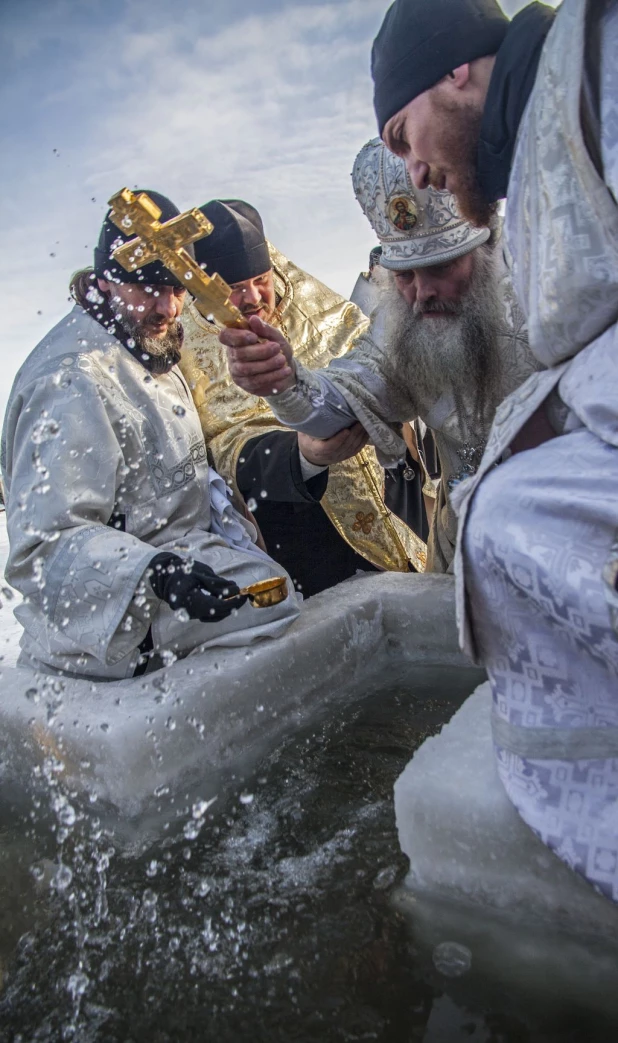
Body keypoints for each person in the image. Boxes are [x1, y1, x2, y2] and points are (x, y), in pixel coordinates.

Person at [371, 0, 618, 899]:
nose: (415, 166)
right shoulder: (543, 147)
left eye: (404, 135)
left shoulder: (600, 62)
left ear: (458, 73)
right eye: (409, 278)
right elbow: (338, 408)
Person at [1, 191, 299, 681]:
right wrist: (153, 572)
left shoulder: (139, 339)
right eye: (146, 289)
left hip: (178, 562)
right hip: (114, 619)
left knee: (272, 588)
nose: (167, 307)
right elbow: (43, 547)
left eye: (176, 288)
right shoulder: (72, 379)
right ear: (102, 282)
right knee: (273, 599)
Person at [222, 141, 536, 572]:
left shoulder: (547, 281)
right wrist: (283, 382)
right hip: (469, 549)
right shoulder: (403, 323)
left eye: (441, 267)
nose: (422, 293)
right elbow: (339, 402)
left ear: (482, 248)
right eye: (405, 275)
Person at [178, 199, 427, 598]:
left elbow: (375, 363)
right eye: (233, 289)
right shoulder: (188, 354)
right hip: (314, 550)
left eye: (261, 279)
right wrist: (304, 457)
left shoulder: (311, 302)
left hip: (404, 512)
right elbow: (227, 447)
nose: (254, 298)